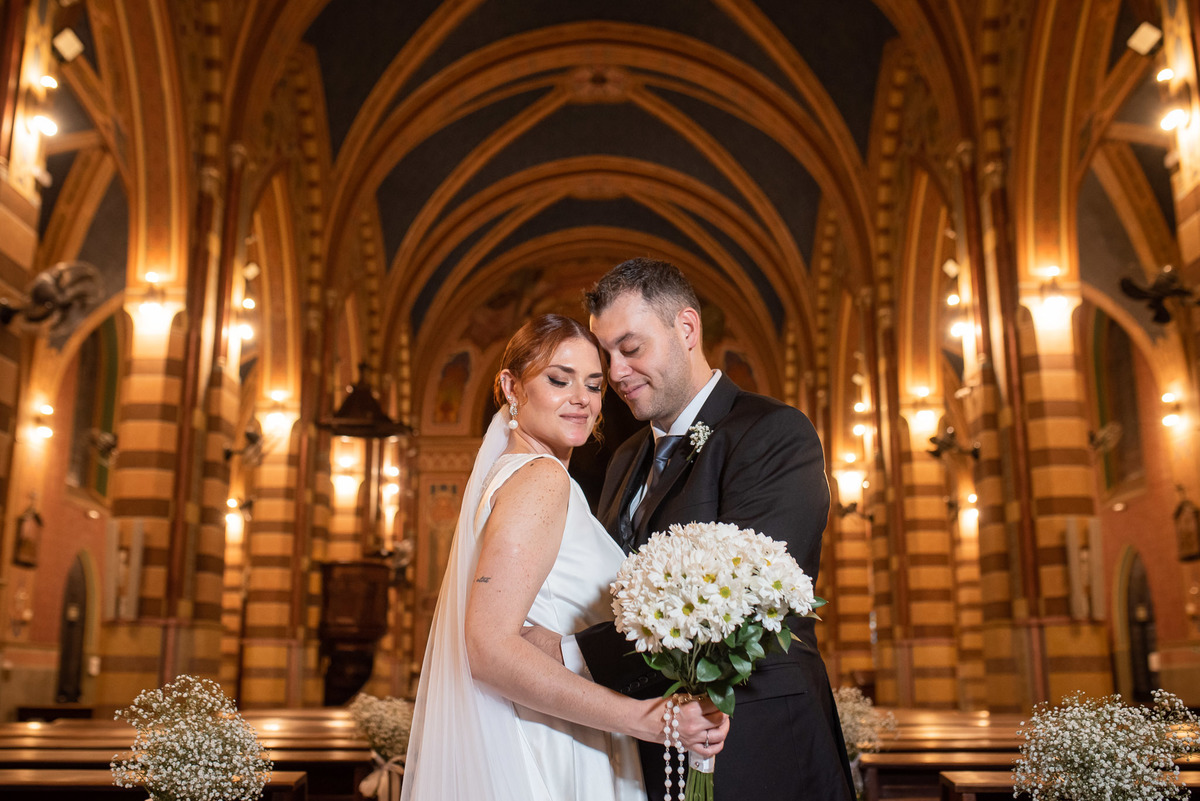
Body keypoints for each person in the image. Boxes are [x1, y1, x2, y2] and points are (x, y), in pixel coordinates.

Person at [525, 259, 855, 801]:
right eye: (606, 356)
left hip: (758, 743)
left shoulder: (773, 433)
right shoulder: (626, 456)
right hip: (656, 739)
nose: (616, 373)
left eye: (630, 349)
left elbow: (744, 601)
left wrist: (567, 653)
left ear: (686, 329)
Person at [401, 313, 728, 801]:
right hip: (553, 741)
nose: (582, 399)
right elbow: (487, 649)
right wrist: (645, 720)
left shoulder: (510, 475)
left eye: (594, 385)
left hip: (558, 723)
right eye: (559, 380)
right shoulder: (541, 479)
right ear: (511, 387)